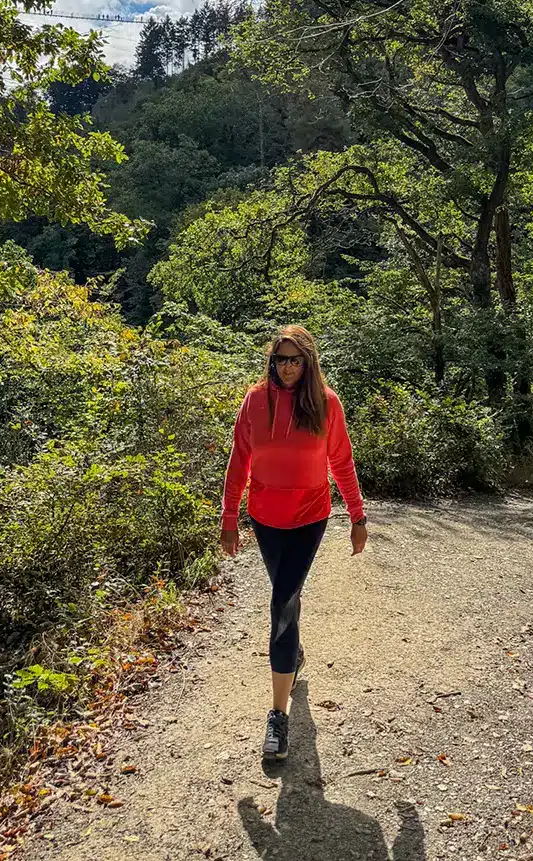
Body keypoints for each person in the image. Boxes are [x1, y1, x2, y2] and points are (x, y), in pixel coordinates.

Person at [220, 325, 367, 761]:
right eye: (281, 359)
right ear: (272, 360)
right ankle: (294, 652)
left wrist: (357, 515)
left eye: (295, 360)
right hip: (265, 518)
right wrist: (229, 518)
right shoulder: (255, 400)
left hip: (309, 518)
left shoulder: (326, 403)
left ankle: (277, 718)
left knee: (282, 601)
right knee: (288, 595)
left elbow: (341, 460)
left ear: (308, 363)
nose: (287, 367)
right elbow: (239, 459)